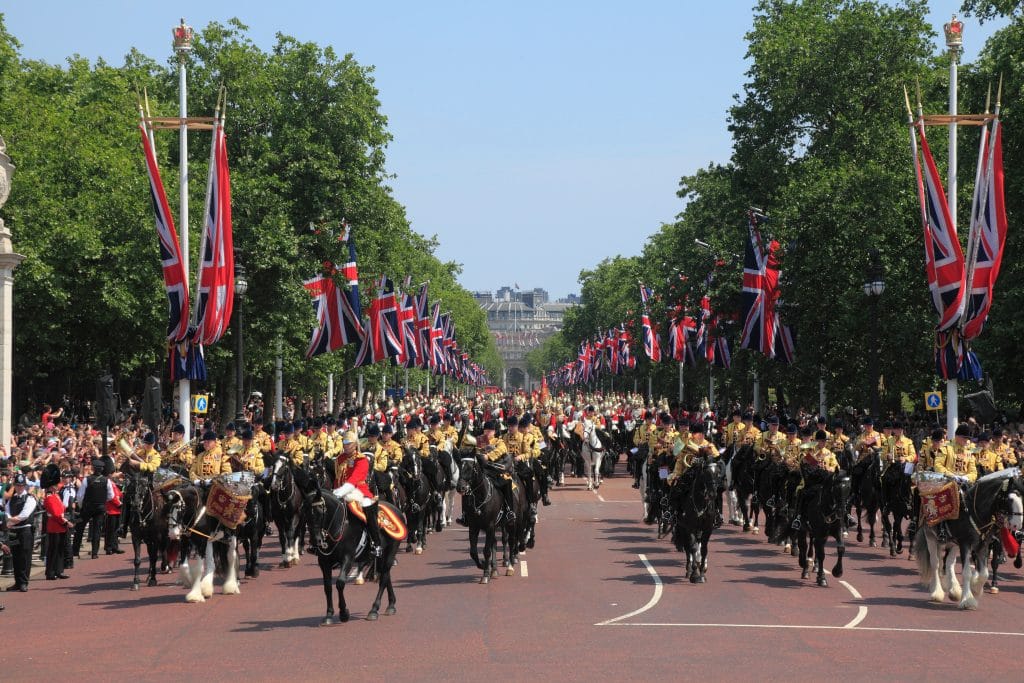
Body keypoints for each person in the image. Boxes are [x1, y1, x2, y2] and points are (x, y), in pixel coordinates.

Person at [331, 436, 382, 557]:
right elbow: (337, 478)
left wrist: (338, 492)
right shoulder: (340, 458)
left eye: (348, 444)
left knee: (367, 507)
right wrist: (334, 490)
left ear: (354, 445)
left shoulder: (361, 460)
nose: (345, 446)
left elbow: (354, 479)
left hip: (359, 491)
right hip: (341, 491)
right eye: (344, 443)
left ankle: (376, 543)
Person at [4, 473, 36, 591]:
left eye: (21, 485)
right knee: (16, 557)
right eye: (17, 485)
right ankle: (17, 582)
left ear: (25, 486)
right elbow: (7, 511)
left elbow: (24, 515)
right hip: (14, 530)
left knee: (24, 557)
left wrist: (10, 520)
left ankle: (23, 582)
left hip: (25, 530)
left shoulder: (30, 498)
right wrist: (10, 519)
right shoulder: (12, 499)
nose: (19, 487)